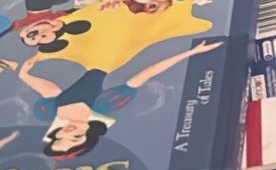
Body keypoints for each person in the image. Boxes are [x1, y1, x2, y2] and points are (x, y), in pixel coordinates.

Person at [11, 40, 223, 160]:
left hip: (81, 49)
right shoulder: (106, 105)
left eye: (59, 139)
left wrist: (24, 75)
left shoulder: (48, 110)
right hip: (119, 52)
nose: (68, 134)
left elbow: (44, 86)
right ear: (89, 137)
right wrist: (192, 52)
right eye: (76, 139)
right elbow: (146, 74)